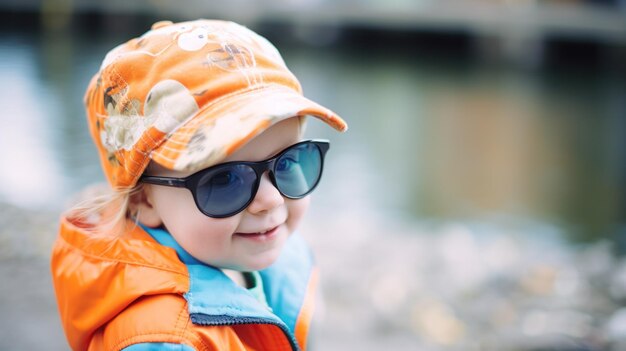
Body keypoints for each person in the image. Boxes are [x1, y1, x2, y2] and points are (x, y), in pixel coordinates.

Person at [50, 19, 347, 351]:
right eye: (224, 180)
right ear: (142, 199)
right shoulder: (166, 341)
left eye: (288, 162)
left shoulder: (273, 256)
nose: (271, 199)